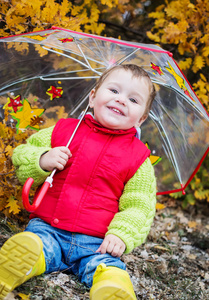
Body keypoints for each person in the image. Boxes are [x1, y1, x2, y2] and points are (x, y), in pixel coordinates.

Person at [0, 64, 156, 300]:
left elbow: (139, 205)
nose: (121, 100)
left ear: (141, 118)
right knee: (39, 247)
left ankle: (112, 284)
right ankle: (24, 260)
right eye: (114, 91)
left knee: (105, 265)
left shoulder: (138, 158)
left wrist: (122, 234)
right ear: (93, 97)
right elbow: (24, 153)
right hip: (48, 228)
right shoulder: (64, 131)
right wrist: (42, 160)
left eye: (133, 100)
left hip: (97, 242)